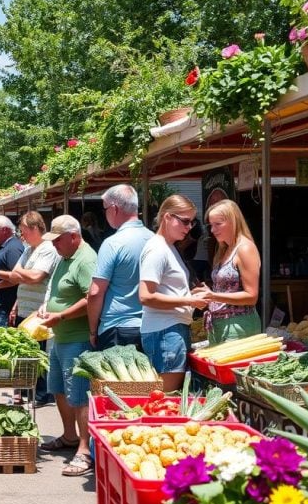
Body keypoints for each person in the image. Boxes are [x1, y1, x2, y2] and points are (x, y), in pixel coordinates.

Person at [35, 215, 98, 477]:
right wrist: (46, 306)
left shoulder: (86, 259)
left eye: (58, 240)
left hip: (77, 337)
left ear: (73, 236)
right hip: (59, 336)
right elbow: (58, 291)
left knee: (79, 395)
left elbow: (90, 298)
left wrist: (60, 315)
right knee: (59, 390)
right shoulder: (65, 257)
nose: (55, 245)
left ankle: (84, 450)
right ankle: (70, 437)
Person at [139, 195, 208, 391]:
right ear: (167, 217)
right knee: (166, 398)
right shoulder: (158, 249)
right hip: (166, 330)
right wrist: (188, 300)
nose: (189, 227)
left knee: (167, 399)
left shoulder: (168, 247)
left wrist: (191, 294)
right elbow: (145, 296)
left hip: (170, 328)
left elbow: (166, 290)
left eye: (192, 222)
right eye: (185, 221)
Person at [88, 184, 154, 351]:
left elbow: (95, 291)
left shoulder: (112, 243)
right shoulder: (154, 239)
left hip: (117, 329)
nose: (105, 214)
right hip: (149, 325)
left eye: (105, 210)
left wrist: (92, 330)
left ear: (114, 209)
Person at [8, 211, 60, 406]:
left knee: (38, 353)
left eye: (24, 231)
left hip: (39, 310)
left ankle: (42, 394)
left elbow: (36, 277)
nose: (22, 236)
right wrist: (23, 274)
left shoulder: (47, 249)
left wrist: (22, 273)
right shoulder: (28, 250)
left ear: (35, 228)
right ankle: (28, 391)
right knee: (26, 352)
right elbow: (15, 274)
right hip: (25, 308)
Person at [192, 199, 263, 344]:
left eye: (218, 224)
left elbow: (252, 296)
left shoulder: (244, 248)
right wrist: (209, 292)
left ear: (233, 221)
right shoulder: (224, 248)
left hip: (238, 326)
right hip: (221, 326)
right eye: (211, 225)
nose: (212, 230)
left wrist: (213, 295)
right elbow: (227, 290)